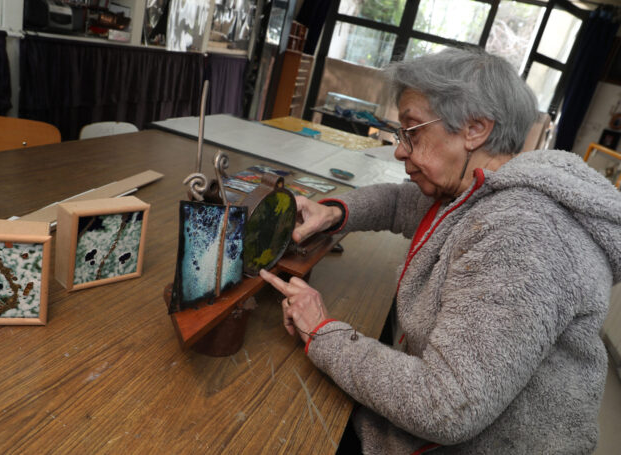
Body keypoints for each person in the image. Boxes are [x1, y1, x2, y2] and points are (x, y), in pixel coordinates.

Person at [260, 47, 621, 454]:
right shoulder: (478, 189)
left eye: (412, 131)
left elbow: (444, 406)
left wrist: (321, 331)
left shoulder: (524, 234)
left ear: (475, 130)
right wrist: (333, 213)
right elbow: (399, 202)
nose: (400, 149)